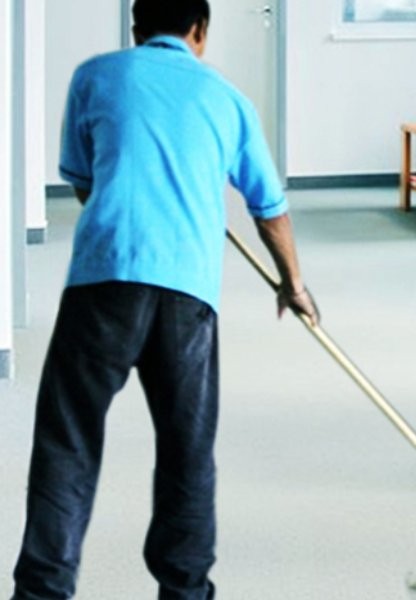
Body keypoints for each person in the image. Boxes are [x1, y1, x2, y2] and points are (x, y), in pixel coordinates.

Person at [11, 1, 318, 598]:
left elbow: (84, 181)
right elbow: (271, 210)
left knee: (67, 438)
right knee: (187, 450)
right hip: (187, 294)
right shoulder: (228, 99)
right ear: (200, 31)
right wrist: (293, 284)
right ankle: (185, 589)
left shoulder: (95, 76)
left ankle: (42, 591)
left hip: (102, 282)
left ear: (136, 29)